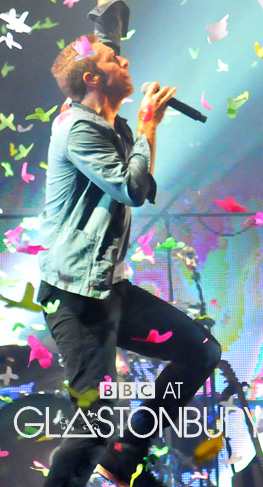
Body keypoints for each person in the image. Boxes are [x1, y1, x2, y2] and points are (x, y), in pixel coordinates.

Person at [37, 1, 221, 486]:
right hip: (75, 298)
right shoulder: (77, 128)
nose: (125, 62)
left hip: (110, 289)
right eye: (114, 61)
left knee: (201, 351)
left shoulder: (109, 122)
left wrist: (109, 25)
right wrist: (148, 126)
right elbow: (132, 188)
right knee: (97, 419)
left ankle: (125, 455)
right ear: (93, 80)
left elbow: (102, 55)